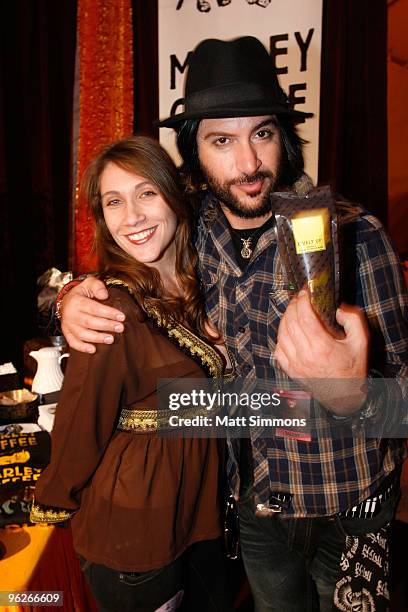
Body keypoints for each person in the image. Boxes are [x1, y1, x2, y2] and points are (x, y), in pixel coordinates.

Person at [57, 38, 408, 611]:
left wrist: (353, 398)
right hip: (252, 507)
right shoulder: (189, 232)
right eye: (222, 140)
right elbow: (114, 267)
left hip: (348, 509)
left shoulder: (351, 236)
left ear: (284, 137)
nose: (248, 164)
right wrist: (66, 296)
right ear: (192, 154)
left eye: (262, 134)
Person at [31, 136, 233, 612]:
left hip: (199, 516)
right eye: (114, 202)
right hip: (134, 535)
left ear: (174, 194)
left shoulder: (205, 276)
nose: (133, 217)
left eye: (146, 193)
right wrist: (52, 503)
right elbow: (80, 423)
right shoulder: (111, 309)